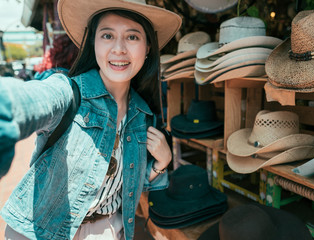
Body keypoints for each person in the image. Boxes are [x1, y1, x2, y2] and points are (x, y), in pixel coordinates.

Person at [0, 0, 182, 239]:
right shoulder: (68, 90)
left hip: (107, 230)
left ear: (148, 47)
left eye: (132, 37)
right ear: (92, 42)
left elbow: (128, 184)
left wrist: (161, 164)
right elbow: (28, 101)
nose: (119, 48)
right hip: (41, 231)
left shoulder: (143, 115)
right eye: (107, 35)